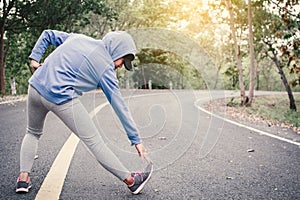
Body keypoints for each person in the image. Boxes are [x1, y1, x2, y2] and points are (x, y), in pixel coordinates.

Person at [16, 30, 153, 195]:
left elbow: (47, 34)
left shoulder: (79, 38)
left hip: (35, 87)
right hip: (61, 97)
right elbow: (119, 106)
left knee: (32, 133)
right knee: (95, 142)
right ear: (117, 51)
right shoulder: (106, 69)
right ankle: (131, 181)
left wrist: (35, 59)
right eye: (123, 61)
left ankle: (23, 179)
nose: (120, 66)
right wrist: (136, 139)